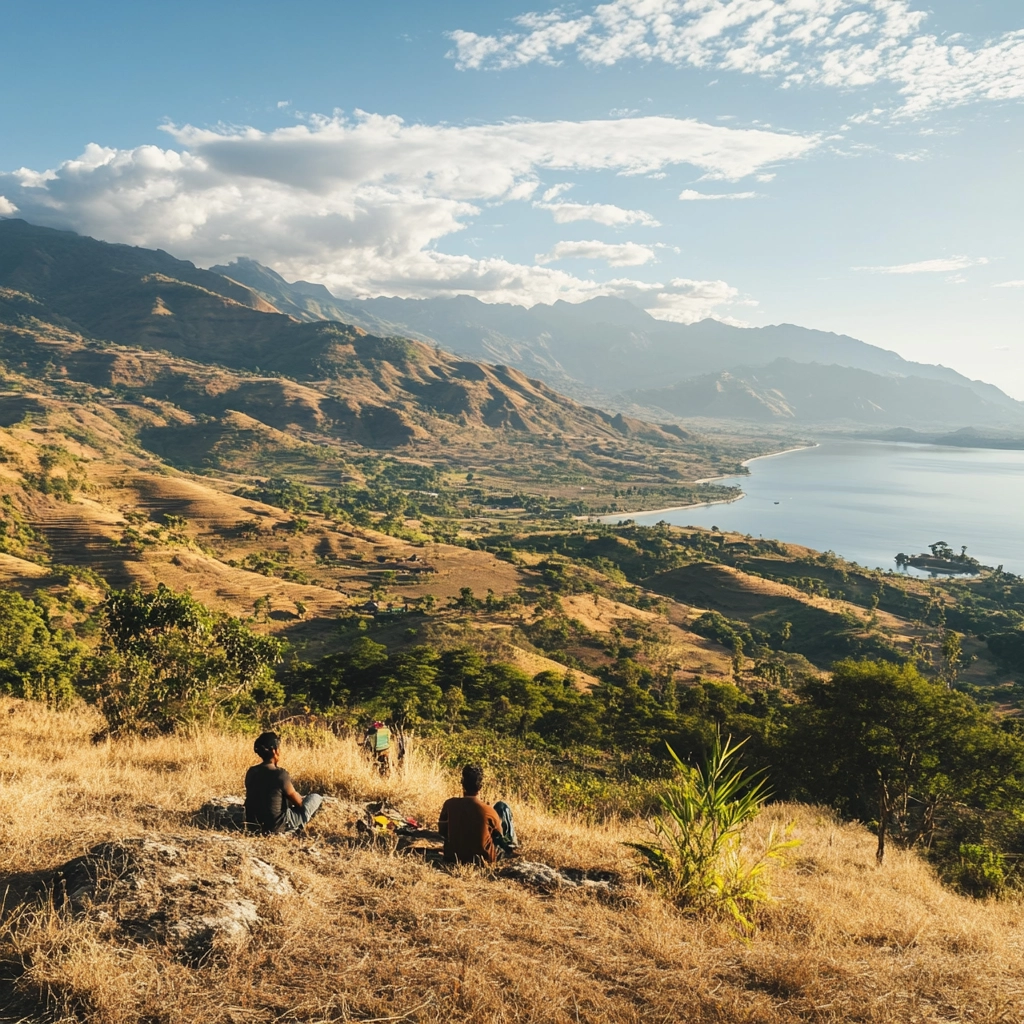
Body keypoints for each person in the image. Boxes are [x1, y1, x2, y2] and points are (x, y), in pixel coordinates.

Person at [244, 732, 323, 834]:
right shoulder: (280, 774)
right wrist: (299, 798)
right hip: (276, 827)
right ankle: (295, 827)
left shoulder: (251, 771)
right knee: (315, 797)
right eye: (279, 748)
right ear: (274, 751)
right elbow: (299, 803)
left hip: (252, 825)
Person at [438, 765, 517, 865]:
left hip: (453, 857)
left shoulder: (449, 804)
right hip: (483, 861)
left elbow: (442, 832)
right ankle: (512, 847)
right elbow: (499, 834)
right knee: (502, 807)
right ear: (481, 786)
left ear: (462, 783)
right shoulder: (488, 810)